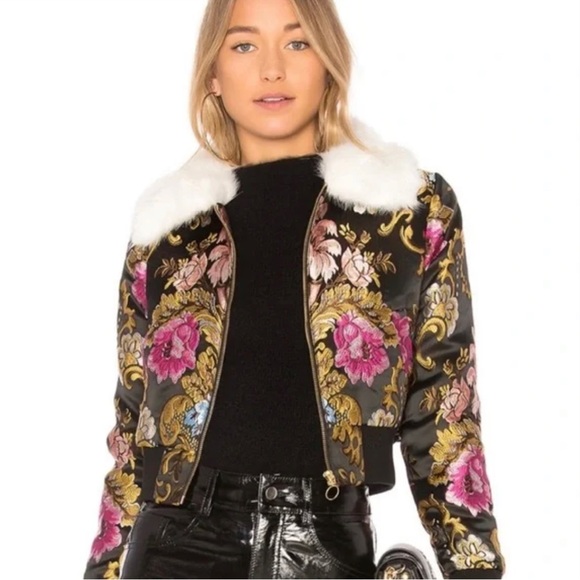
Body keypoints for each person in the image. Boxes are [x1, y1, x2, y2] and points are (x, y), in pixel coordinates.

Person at [82, 0, 506, 578]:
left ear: (329, 61)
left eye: (298, 42)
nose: (272, 69)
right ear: (213, 73)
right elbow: (133, 432)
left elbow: (446, 407)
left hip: (325, 547)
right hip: (174, 547)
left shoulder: (406, 211)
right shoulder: (165, 231)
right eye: (244, 45)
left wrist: (474, 567)